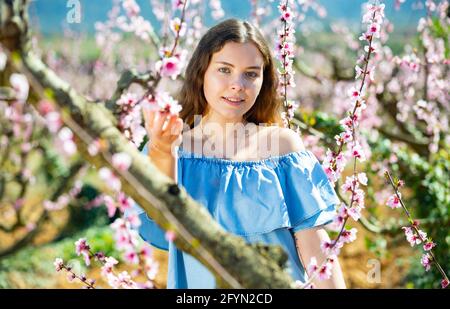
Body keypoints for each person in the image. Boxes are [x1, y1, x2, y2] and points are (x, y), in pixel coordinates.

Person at [136, 19, 346, 288]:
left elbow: (317, 255)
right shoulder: (173, 149)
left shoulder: (284, 149)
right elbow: (163, 216)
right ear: (201, 72)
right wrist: (162, 151)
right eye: (224, 69)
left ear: (263, 80)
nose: (238, 84)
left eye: (251, 73)